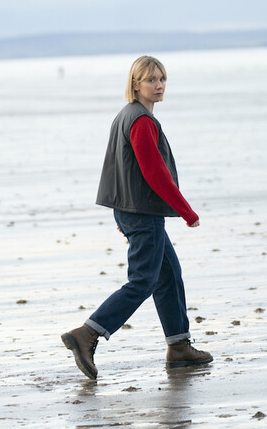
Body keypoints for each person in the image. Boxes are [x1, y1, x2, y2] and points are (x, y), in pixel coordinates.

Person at [61, 55, 212, 380]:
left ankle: (179, 346)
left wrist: (121, 210)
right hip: (143, 213)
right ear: (135, 84)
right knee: (143, 280)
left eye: (161, 79)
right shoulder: (141, 120)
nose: (158, 86)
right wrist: (186, 211)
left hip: (133, 210)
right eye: (150, 80)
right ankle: (87, 334)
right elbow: (154, 173)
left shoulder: (127, 116)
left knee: (168, 274)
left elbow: (120, 170)